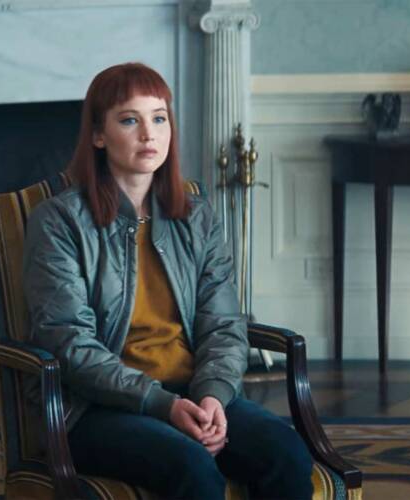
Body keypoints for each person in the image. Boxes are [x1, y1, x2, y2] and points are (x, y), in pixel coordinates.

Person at [22, 62, 313, 499]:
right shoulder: (59, 221)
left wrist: (213, 396)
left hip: (193, 392)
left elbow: (223, 324)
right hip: (95, 407)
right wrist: (164, 405)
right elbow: (69, 343)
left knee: (286, 453)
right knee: (191, 465)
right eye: (129, 120)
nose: (149, 134)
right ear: (98, 135)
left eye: (159, 118)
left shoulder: (197, 217)